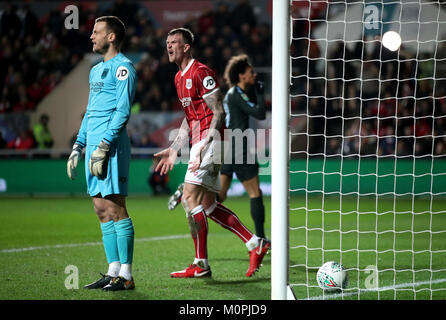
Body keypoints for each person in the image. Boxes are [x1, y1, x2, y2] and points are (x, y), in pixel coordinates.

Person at [155, 27, 270, 278]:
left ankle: (201, 264)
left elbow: (218, 112)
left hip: (212, 141)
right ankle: (254, 243)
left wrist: (204, 144)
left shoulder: (201, 72)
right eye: (167, 43)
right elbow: (189, 118)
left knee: (189, 199)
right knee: (207, 205)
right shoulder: (178, 78)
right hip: (203, 142)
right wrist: (175, 148)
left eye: (174, 42)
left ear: (186, 47)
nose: (169, 46)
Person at [66, 16, 137, 291]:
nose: (91, 36)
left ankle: (127, 276)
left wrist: (105, 145)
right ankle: (113, 271)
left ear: (111, 37)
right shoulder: (95, 71)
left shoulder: (124, 68)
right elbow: (91, 110)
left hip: (111, 146)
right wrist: (78, 146)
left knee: (116, 208)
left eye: (96, 32)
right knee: (100, 209)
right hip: (92, 147)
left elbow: (122, 110)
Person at [219, 54, 267, 240]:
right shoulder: (236, 95)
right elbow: (260, 113)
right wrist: (261, 94)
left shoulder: (235, 94)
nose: (254, 74)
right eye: (250, 72)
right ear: (241, 76)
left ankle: (192, 194)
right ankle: (261, 238)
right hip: (240, 146)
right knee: (255, 192)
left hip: (229, 146)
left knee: (221, 195)